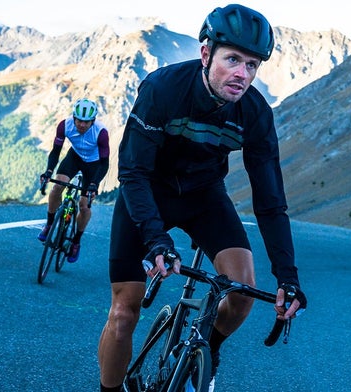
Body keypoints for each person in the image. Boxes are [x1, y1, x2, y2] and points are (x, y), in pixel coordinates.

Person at [97, 4, 307, 392]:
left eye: (252, 65)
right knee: (124, 313)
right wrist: (156, 238)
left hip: (205, 196)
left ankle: (204, 351)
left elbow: (270, 203)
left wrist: (287, 277)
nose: (242, 74)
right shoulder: (162, 90)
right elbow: (133, 172)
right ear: (206, 53)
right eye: (233, 60)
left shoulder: (255, 114)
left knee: (241, 293)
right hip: (149, 192)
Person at [38, 98, 110, 263]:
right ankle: (49, 224)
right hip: (74, 157)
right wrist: (49, 171)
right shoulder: (65, 125)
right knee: (56, 188)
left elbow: (105, 163)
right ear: (74, 118)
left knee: (84, 206)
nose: (82, 125)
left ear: (93, 121)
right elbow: (56, 151)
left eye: (86, 122)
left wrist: (94, 184)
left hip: (94, 164)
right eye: (79, 120)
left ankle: (76, 241)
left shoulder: (101, 133)